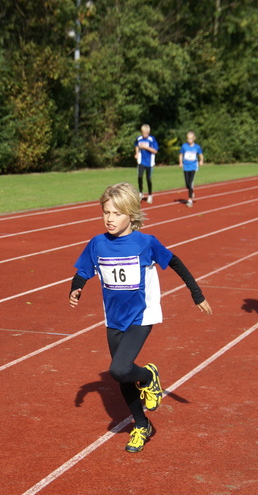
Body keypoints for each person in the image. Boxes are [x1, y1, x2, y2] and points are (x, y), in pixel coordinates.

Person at [69, 182, 212, 453]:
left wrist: (196, 294)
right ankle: (141, 425)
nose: (110, 219)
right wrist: (76, 287)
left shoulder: (145, 242)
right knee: (122, 377)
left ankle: (147, 376)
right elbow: (84, 270)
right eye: (106, 212)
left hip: (142, 314)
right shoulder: (97, 243)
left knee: (119, 369)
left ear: (132, 215)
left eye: (117, 213)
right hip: (114, 318)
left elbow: (176, 263)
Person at [134, 124, 158, 204]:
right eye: (144, 133)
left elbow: (155, 151)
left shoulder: (152, 139)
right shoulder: (139, 138)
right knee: (140, 176)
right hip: (141, 161)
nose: (145, 135)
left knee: (148, 178)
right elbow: (136, 145)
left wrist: (146, 147)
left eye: (147, 133)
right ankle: (140, 193)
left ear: (149, 132)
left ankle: (150, 195)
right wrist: (137, 153)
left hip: (150, 162)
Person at [179, 131, 204, 207]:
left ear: (194, 138)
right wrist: (180, 162)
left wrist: (201, 160)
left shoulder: (197, 147)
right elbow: (181, 155)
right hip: (186, 167)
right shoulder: (184, 146)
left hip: (193, 166)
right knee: (187, 184)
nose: (189, 140)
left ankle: (189, 200)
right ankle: (191, 190)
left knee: (190, 183)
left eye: (191, 139)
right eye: (188, 139)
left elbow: (200, 155)